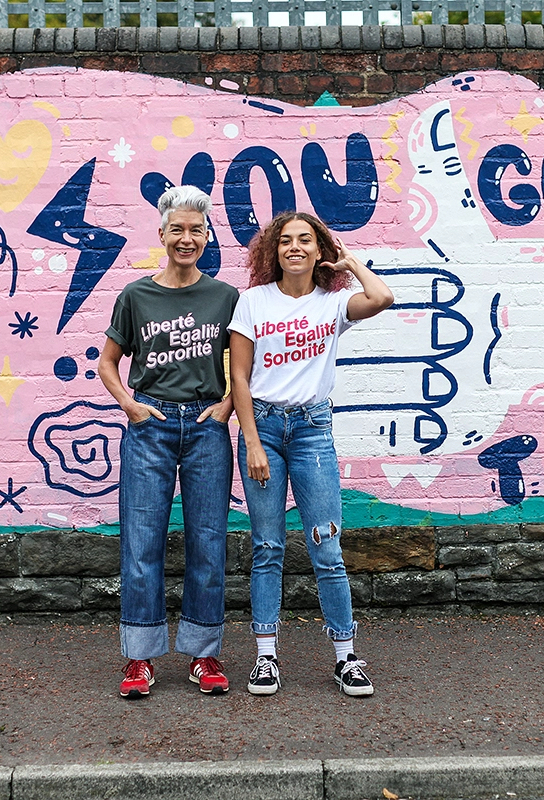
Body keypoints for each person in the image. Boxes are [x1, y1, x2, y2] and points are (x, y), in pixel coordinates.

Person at [228, 211, 394, 697]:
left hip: (312, 431)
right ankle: (265, 658)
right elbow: (239, 377)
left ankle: (346, 657)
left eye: (306, 240)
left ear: (319, 249)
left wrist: (351, 261)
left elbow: (382, 298)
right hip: (263, 429)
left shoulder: (335, 303)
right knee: (267, 547)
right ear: (272, 252)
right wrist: (253, 440)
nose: (294, 248)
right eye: (285, 241)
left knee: (326, 547)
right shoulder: (251, 302)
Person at [98, 186, 240, 699]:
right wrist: (130, 406)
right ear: (161, 234)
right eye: (177, 229)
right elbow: (107, 363)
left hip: (206, 431)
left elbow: (244, 364)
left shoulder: (224, 297)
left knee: (208, 541)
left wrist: (225, 407)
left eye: (196, 230)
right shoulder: (135, 296)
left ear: (207, 236)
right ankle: (140, 658)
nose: (186, 238)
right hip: (150, 428)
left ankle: (204, 655)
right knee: (142, 543)